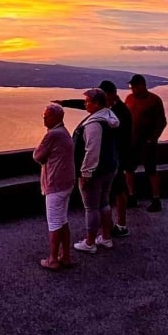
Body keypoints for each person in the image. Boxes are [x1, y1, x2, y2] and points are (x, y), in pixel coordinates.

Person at [71, 88, 119, 254]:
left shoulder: (94, 124)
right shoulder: (109, 117)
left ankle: (90, 242)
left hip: (95, 172)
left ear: (97, 103)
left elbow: (92, 150)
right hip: (110, 167)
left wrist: (86, 173)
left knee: (91, 207)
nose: (85, 104)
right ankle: (105, 237)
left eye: (87, 102)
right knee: (104, 203)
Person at [31, 103, 76, 270]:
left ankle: (52, 259)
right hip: (67, 182)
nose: (44, 118)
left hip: (55, 184)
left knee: (54, 222)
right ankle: (65, 256)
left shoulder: (52, 135)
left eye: (47, 115)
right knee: (62, 220)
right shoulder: (64, 132)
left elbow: (37, 156)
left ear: (57, 117)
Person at [125, 74, 168, 212]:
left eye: (134, 87)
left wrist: (153, 138)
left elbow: (162, 122)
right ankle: (131, 197)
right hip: (132, 141)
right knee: (129, 169)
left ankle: (156, 199)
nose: (132, 89)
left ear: (142, 86)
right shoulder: (129, 98)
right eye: (131, 87)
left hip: (148, 143)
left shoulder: (154, 100)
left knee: (151, 170)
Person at [99, 80, 133, 237]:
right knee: (115, 189)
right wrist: (65, 103)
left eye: (104, 95)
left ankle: (121, 224)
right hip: (113, 155)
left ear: (111, 94)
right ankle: (111, 223)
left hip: (118, 155)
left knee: (119, 189)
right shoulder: (111, 107)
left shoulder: (121, 111)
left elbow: (122, 136)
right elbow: (86, 104)